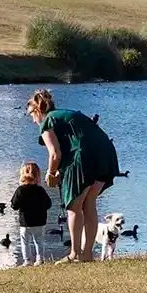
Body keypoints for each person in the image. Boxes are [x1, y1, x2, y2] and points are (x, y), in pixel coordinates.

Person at [27, 89, 119, 264]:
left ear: (38, 110)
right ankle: (87, 254)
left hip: (85, 157)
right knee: (89, 203)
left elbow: (55, 154)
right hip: (105, 152)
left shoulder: (47, 121)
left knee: (74, 206)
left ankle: (75, 253)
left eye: (31, 114)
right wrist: (59, 170)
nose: (32, 119)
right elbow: (71, 143)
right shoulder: (65, 114)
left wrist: (50, 173)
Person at [10, 162, 52, 267]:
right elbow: (48, 204)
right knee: (39, 241)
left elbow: (14, 205)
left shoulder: (20, 190)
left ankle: (27, 260)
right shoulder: (40, 190)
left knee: (25, 242)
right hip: (39, 221)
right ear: (38, 175)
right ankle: (40, 259)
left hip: (25, 222)